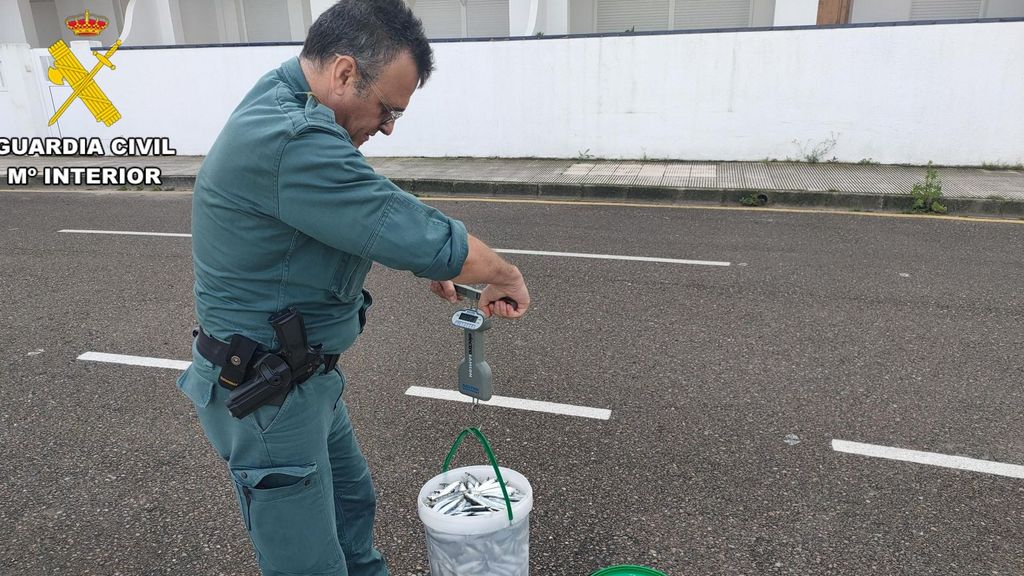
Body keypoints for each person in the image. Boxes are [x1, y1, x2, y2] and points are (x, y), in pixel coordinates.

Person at [174, 1, 530, 575]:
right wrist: (503, 274)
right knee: (309, 563)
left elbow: (344, 215)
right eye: (387, 109)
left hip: (304, 378)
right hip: (269, 396)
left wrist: (425, 260)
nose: (388, 127)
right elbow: (398, 222)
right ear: (344, 73)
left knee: (351, 507)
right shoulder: (289, 136)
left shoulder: (289, 98)